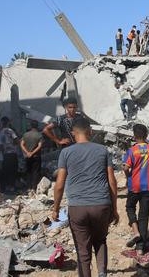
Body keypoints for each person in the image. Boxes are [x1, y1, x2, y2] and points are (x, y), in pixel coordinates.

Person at [53, 118, 119, 277]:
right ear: (90, 132)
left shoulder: (66, 152)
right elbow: (112, 181)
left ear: (73, 134)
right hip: (101, 205)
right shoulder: (102, 150)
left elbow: (59, 184)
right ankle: (102, 273)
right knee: (100, 240)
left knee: (83, 250)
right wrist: (114, 209)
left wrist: (55, 209)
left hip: (77, 208)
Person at [123, 123, 149, 253]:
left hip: (135, 186)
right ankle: (140, 247)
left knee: (129, 207)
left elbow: (126, 167)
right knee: (144, 215)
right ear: (146, 135)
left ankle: (135, 231)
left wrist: (128, 176)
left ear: (134, 136)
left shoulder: (132, 151)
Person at [21, 120, 44, 190]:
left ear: (31, 126)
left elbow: (22, 144)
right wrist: (32, 152)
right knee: (36, 172)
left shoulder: (25, 134)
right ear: (37, 126)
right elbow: (40, 146)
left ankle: (28, 187)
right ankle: (34, 187)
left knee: (28, 172)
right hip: (36, 156)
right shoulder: (39, 135)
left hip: (27, 157)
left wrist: (27, 152)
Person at [0, 117, 19, 192]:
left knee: (6, 170)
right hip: (13, 153)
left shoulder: (1, 132)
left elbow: (1, 145)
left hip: (5, 154)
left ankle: (7, 187)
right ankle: (12, 186)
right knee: (13, 170)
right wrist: (13, 144)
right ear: (8, 123)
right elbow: (17, 140)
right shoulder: (11, 131)